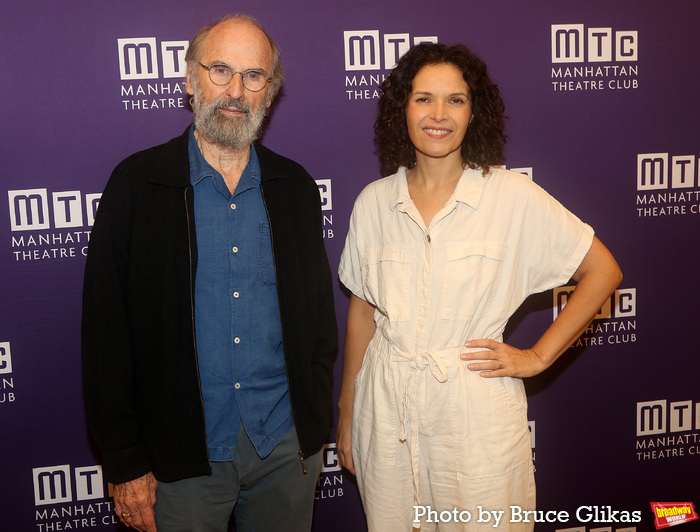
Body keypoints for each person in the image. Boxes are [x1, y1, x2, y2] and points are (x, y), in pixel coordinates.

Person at [336, 43, 622, 531]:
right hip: (386, 412)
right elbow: (364, 310)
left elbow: (603, 272)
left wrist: (537, 357)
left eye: (456, 100)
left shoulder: (510, 196)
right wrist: (348, 409)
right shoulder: (373, 203)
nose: (438, 114)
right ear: (401, 108)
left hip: (474, 415)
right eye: (424, 98)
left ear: (474, 112)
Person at [81, 14, 337, 532]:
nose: (236, 90)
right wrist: (127, 461)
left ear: (271, 91)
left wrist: (310, 423)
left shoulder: (295, 189)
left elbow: (318, 324)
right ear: (190, 79)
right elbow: (106, 335)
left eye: (254, 75)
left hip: (284, 449)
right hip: (180, 457)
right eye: (220, 70)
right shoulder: (136, 186)